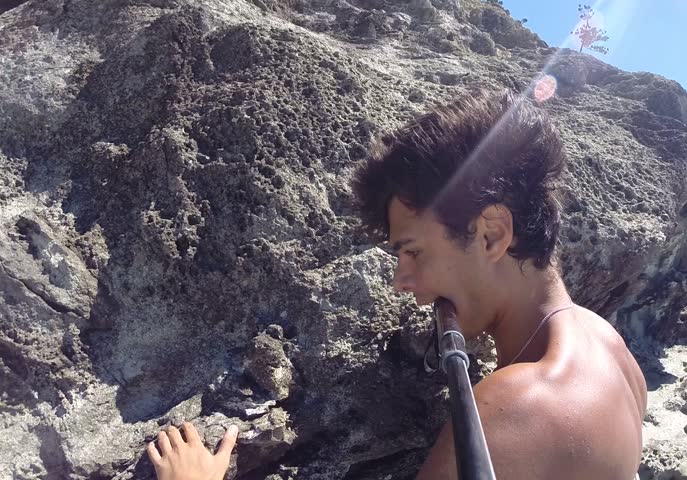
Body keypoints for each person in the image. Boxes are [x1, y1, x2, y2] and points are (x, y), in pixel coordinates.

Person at [147, 89, 646, 479]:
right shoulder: (610, 346)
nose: (401, 281)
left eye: (414, 252)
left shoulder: (512, 413)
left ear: (491, 233)